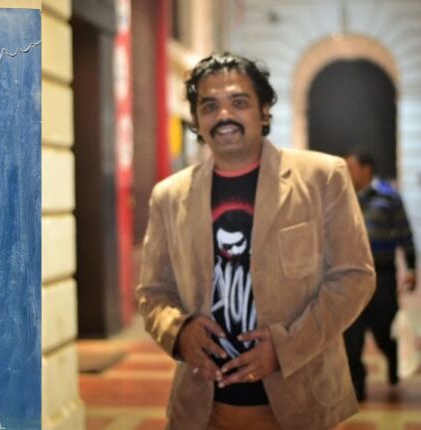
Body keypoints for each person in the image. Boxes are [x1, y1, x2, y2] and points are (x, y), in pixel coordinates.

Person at [136, 52, 376, 430]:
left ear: (264, 112)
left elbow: (355, 277)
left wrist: (287, 347)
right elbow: (153, 291)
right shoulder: (169, 196)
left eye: (239, 102)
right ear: (196, 119)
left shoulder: (322, 177)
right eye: (209, 106)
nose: (224, 115)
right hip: (201, 408)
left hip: (298, 403)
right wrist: (178, 332)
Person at [342, 149, 416, 401]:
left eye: (350, 167)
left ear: (366, 170)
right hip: (349, 277)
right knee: (351, 335)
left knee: (384, 329)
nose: (345, 172)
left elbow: (405, 233)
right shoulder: (340, 195)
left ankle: (392, 357)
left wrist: (412, 268)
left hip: (382, 276)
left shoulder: (389, 196)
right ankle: (357, 385)